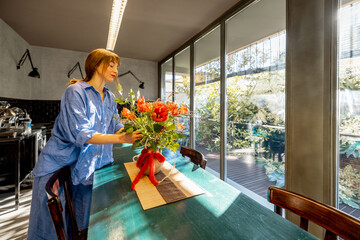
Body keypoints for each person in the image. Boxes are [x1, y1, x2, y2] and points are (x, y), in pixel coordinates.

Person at [27, 48, 142, 239]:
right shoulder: (75, 92)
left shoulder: (110, 97)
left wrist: (139, 132)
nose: (115, 70)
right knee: (50, 227)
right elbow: (83, 133)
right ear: (96, 65)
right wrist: (122, 139)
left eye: (117, 67)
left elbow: (116, 126)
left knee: (78, 221)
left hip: (83, 164)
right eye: (110, 65)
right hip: (58, 164)